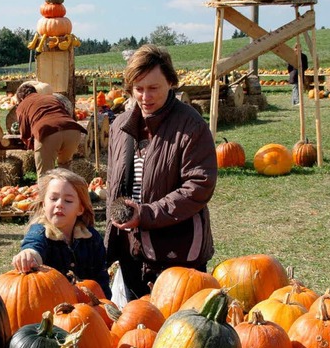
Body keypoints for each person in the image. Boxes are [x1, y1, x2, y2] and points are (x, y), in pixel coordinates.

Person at [104, 44, 218, 301]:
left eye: (153, 88)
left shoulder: (190, 125)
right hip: (131, 250)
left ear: (171, 82)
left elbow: (199, 186)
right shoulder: (120, 125)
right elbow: (114, 180)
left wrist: (145, 214)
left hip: (176, 253)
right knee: (137, 328)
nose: (145, 96)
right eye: (138, 89)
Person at [12, 168, 111, 297]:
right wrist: (29, 254)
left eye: (68, 201)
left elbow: (101, 278)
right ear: (43, 205)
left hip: (86, 307)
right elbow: (34, 243)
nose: (59, 204)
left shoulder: (91, 238)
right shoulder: (41, 231)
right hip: (50, 306)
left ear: (80, 209)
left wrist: (104, 304)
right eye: (53, 199)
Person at [15, 82, 87, 178]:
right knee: (65, 167)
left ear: (21, 98)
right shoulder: (51, 98)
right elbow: (71, 115)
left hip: (47, 132)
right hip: (73, 130)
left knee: (45, 175)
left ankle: (47, 192)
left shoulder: (22, 105)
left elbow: (24, 133)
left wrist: (34, 147)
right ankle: (71, 191)